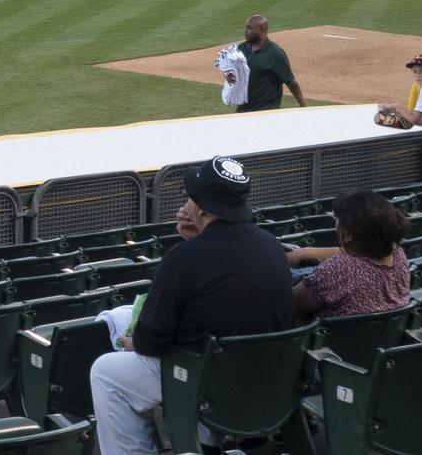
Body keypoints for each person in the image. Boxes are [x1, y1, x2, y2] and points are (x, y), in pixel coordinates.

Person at [87, 157, 292, 455]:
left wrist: (133, 343)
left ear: (204, 208)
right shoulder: (271, 245)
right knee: (119, 316)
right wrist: (196, 241)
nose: (187, 202)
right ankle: (205, 443)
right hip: (266, 376)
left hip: (208, 381)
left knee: (106, 370)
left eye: (191, 197)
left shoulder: (184, 259)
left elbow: (151, 341)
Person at [284, 189, 413, 319]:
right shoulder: (398, 254)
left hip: (333, 338)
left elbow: (289, 305)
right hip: (383, 338)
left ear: (348, 235)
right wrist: (305, 253)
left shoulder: (340, 269)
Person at [216, 14, 303, 112]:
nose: (246, 31)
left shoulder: (274, 53)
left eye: (249, 28)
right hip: (243, 108)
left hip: (266, 110)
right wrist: (228, 76)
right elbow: (234, 72)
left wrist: (302, 105)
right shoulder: (242, 49)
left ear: (261, 29)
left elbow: (290, 81)